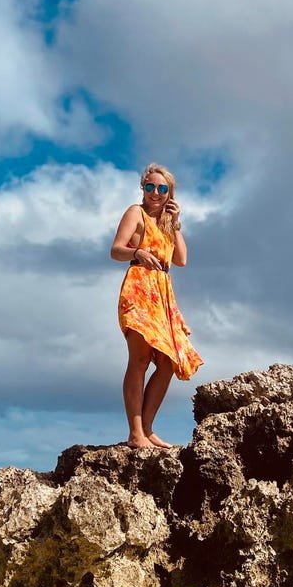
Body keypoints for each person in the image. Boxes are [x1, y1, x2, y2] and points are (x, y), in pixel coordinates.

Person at [110, 163, 204, 449]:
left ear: (170, 193)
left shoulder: (166, 223)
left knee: (166, 363)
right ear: (143, 188)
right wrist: (137, 251)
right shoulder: (135, 212)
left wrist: (175, 223)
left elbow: (181, 260)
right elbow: (116, 250)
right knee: (139, 360)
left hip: (163, 294)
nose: (155, 192)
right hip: (139, 288)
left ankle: (148, 429)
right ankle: (135, 433)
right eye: (150, 186)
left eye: (162, 188)